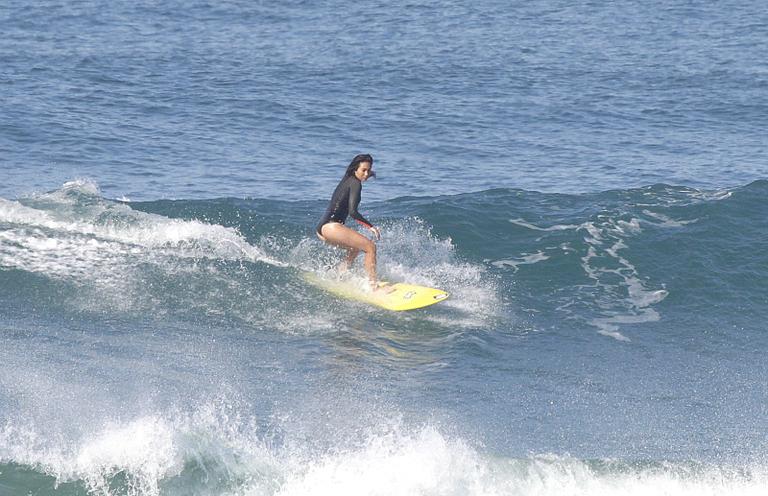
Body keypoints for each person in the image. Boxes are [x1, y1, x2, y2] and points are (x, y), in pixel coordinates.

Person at [316, 154, 385, 291]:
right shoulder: (355, 183)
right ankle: (373, 286)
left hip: (322, 229)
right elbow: (353, 212)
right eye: (363, 170)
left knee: (355, 248)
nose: (366, 174)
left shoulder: (347, 179)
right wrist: (371, 227)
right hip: (331, 227)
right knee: (370, 247)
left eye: (368, 170)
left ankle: (339, 275)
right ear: (355, 169)